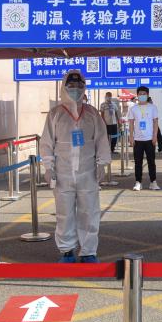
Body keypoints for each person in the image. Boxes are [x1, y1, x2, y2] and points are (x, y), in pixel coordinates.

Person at [39, 71, 111, 263]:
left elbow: (101, 139)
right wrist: (48, 167)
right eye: (71, 86)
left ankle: (88, 251)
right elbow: (47, 142)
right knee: (64, 213)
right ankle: (67, 250)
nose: (76, 90)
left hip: (88, 172)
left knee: (90, 212)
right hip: (62, 172)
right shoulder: (55, 114)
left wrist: (102, 163)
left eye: (79, 86)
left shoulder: (92, 113)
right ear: (64, 87)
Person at [128, 85, 160, 190]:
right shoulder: (133, 108)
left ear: (147, 95)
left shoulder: (153, 107)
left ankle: (153, 182)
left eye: (144, 94)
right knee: (138, 162)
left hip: (149, 139)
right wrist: (131, 137)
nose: (142, 95)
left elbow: (155, 122)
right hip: (138, 139)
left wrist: (155, 136)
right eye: (140, 94)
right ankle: (138, 182)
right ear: (137, 95)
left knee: (151, 161)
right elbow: (131, 123)